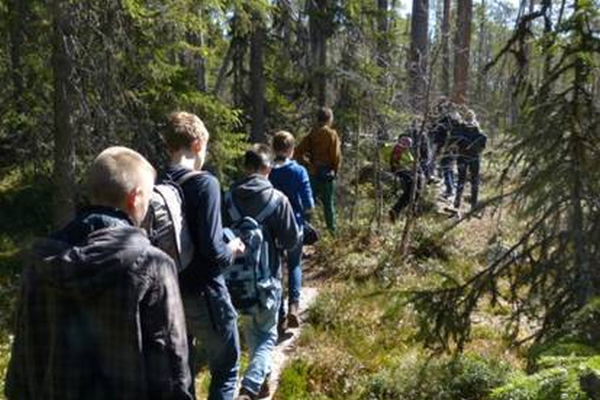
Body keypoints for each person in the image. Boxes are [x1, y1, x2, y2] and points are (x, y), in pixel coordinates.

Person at [5, 146, 193, 400]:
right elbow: (171, 365)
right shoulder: (153, 265)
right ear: (135, 197)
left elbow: (22, 356)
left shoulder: (41, 262)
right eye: (148, 199)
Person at [163, 112, 246, 400]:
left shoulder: (156, 182)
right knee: (226, 369)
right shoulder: (204, 183)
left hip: (168, 295)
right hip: (205, 293)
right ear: (198, 144)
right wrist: (232, 249)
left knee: (180, 373)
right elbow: (213, 250)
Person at [226, 145, 300, 400]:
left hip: (236, 282)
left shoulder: (229, 198)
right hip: (268, 279)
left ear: (246, 168)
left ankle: (261, 385)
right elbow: (291, 242)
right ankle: (251, 386)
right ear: (268, 167)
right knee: (268, 336)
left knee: (252, 332)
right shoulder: (278, 199)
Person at [269, 131, 315, 332]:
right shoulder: (299, 171)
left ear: (273, 149)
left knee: (276, 269)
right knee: (295, 265)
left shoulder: (267, 170)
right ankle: (294, 307)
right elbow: (308, 204)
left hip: (271, 228)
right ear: (291, 149)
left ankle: (279, 316)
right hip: (294, 225)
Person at [295, 107, 342, 234]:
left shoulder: (312, 134)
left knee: (309, 205)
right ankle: (332, 235)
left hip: (313, 174)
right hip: (326, 175)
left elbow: (297, 152)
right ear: (329, 119)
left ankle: (304, 233)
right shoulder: (331, 134)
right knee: (328, 206)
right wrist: (335, 172)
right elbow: (336, 157)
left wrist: (309, 165)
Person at [453, 109, 487, 212]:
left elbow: (455, 141)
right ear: (474, 118)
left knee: (461, 179)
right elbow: (483, 143)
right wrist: (478, 150)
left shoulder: (460, 130)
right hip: (474, 158)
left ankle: (457, 200)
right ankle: (474, 203)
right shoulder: (479, 131)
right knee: (474, 180)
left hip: (462, 157)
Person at [389, 135, 421, 223]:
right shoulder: (397, 149)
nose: (407, 146)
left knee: (417, 187)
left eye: (408, 144)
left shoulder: (406, 152)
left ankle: (402, 210)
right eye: (406, 143)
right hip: (400, 171)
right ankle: (398, 210)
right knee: (412, 189)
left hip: (405, 171)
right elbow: (395, 163)